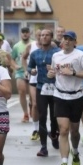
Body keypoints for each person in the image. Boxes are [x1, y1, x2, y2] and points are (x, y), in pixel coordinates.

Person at [47, 31, 83, 165]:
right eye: (64, 39)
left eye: (69, 39)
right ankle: (64, 163)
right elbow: (53, 72)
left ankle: (75, 151)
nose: (66, 41)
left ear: (74, 42)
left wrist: (73, 73)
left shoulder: (80, 55)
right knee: (63, 130)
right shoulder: (56, 56)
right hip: (60, 95)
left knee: (74, 131)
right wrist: (51, 74)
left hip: (77, 96)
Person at [27, 28, 60, 157]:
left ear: (51, 37)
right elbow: (29, 67)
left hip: (55, 87)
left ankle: (54, 135)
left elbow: (62, 67)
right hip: (41, 87)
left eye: (47, 35)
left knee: (54, 116)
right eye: (42, 35)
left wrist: (54, 69)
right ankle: (43, 147)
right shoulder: (35, 53)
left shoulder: (57, 53)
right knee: (42, 116)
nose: (44, 37)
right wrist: (32, 71)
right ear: (39, 38)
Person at [11, 26, 33, 123]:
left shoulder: (34, 44)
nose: (25, 34)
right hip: (20, 71)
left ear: (29, 33)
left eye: (26, 32)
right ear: (20, 34)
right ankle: (25, 113)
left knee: (32, 94)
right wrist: (15, 65)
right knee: (22, 91)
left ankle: (32, 105)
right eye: (23, 32)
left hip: (32, 71)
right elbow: (11, 58)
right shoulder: (16, 46)